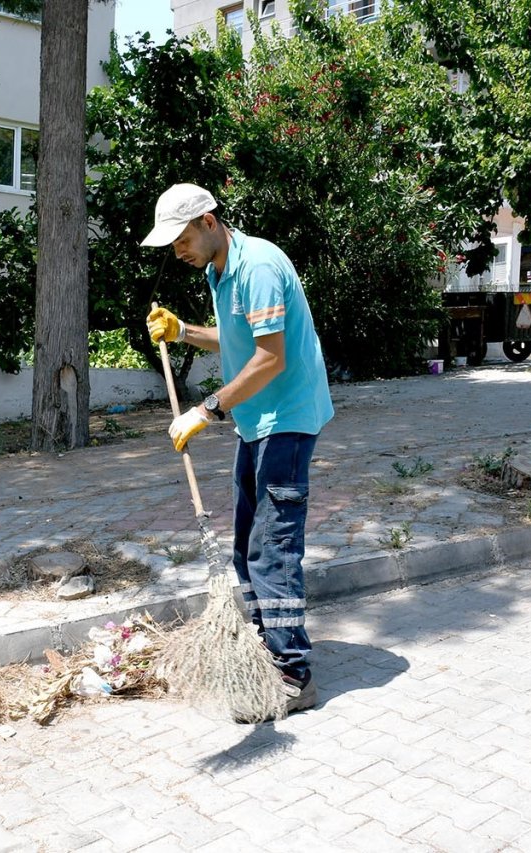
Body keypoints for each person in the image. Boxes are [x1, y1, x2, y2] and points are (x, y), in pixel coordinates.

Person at [142, 182, 334, 719]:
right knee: (247, 540)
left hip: (288, 419)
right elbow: (236, 342)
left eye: (179, 238)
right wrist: (182, 331)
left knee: (272, 546)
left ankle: (294, 675)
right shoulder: (217, 270)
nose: (176, 250)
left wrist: (207, 410)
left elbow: (270, 358)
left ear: (207, 221)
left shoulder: (259, 266)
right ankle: (264, 649)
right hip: (257, 421)